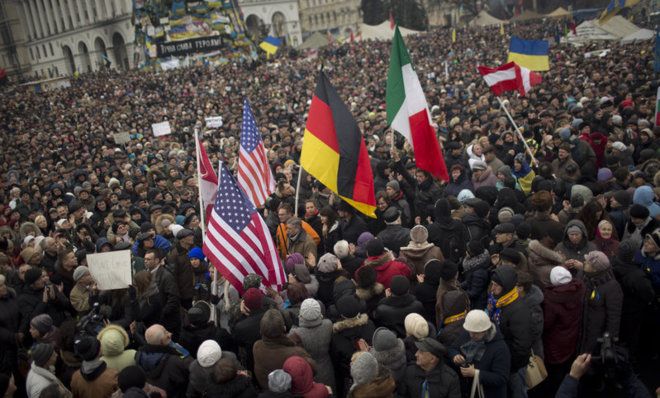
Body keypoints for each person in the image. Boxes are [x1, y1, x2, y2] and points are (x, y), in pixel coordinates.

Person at [487, 266, 532, 398]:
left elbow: (522, 346)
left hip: (514, 367)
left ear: (505, 286)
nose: (492, 288)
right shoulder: (500, 302)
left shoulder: (518, 310)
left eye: (496, 285)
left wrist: (508, 365)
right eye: (492, 284)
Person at [450, 310, 510, 398]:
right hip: (469, 390)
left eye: (476, 333)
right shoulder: (469, 332)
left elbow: (501, 378)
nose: (471, 335)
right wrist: (455, 356)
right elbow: (452, 348)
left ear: (485, 330)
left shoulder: (500, 348)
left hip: (489, 393)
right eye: (470, 331)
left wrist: (476, 373)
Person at [578, 251, 623, 354]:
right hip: (581, 326)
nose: (584, 262)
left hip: (596, 332)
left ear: (595, 268)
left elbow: (614, 316)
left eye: (588, 262)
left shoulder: (612, 287)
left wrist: (609, 338)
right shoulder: (583, 275)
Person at [252, 309, 310, 390]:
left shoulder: (256, 346)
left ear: (261, 331)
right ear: (284, 328)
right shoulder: (296, 353)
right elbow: (313, 370)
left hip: (268, 391)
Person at [289, 299, 335, 391]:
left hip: (310, 372)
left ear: (301, 314)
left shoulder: (295, 333)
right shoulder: (328, 324)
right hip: (327, 366)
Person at [135, 324, 190, 398]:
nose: (170, 334)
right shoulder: (174, 360)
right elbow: (190, 369)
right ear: (162, 341)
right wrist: (181, 350)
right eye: (166, 332)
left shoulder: (139, 355)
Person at [143, 249, 181, 339]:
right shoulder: (145, 274)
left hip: (165, 322)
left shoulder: (166, 276)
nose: (145, 261)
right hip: (151, 320)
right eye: (145, 259)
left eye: (148, 259)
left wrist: (162, 314)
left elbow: (174, 299)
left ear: (156, 260)